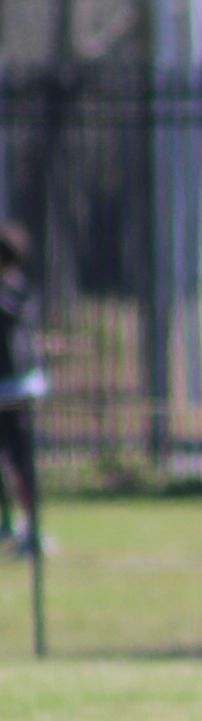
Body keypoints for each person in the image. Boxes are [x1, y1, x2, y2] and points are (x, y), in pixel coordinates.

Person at [0, 222, 42, 556]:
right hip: (14, 388)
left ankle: (33, 530)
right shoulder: (19, 292)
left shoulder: (15, 294)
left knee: (21, 462)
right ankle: (9, 524)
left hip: (15, 392)